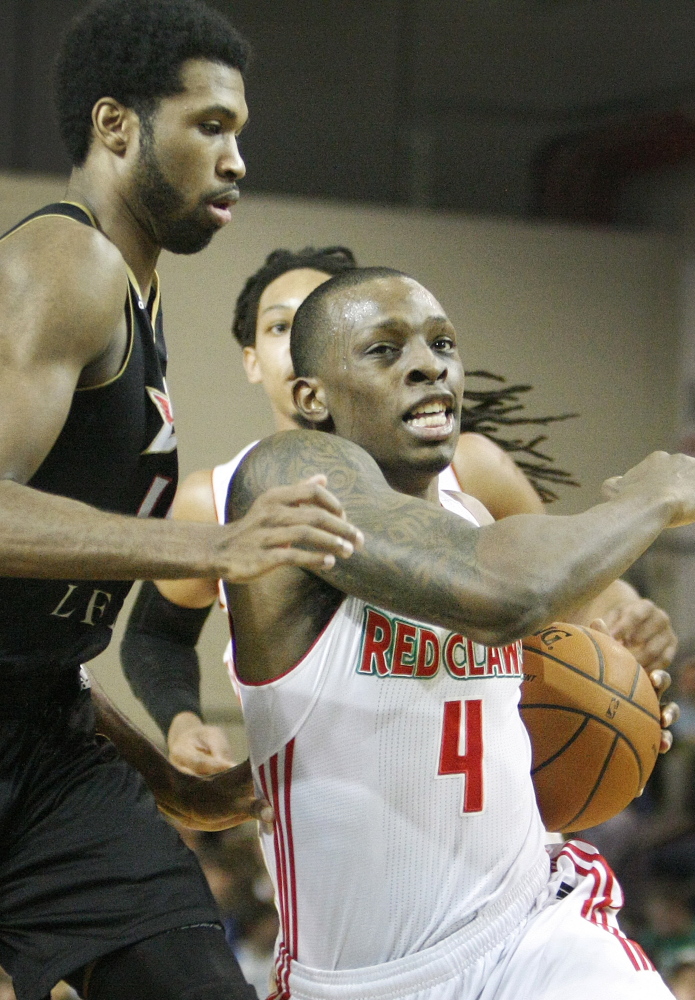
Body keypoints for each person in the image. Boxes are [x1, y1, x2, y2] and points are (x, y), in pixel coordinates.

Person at [220, 267, 695, 1000]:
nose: (427, 363)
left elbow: (538, 622)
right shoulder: (284, 478)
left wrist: (612, 692)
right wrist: (645, 499)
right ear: (311, 397)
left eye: (442, 343)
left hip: (529, 935)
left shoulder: (478, 517)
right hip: (360, 982)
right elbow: (502, 596)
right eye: (383, 349)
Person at [0, 4, 361, 999]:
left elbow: (31, 636)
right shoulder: (64, 265)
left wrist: (162, 773)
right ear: (117, 126)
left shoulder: (138, 304)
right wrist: (196, 547)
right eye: (209, 126)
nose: (236, 158)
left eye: (238, 132)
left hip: (46, 740)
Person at [122, 247, 678, 775]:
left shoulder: (469, 469)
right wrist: (182, 722)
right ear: (251, 361)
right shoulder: (216, 498)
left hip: (503, 835)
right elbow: (156, 635)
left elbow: (574, 586)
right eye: (280, 327)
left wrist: (631, 622)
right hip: (344, 846)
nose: (301, 342)